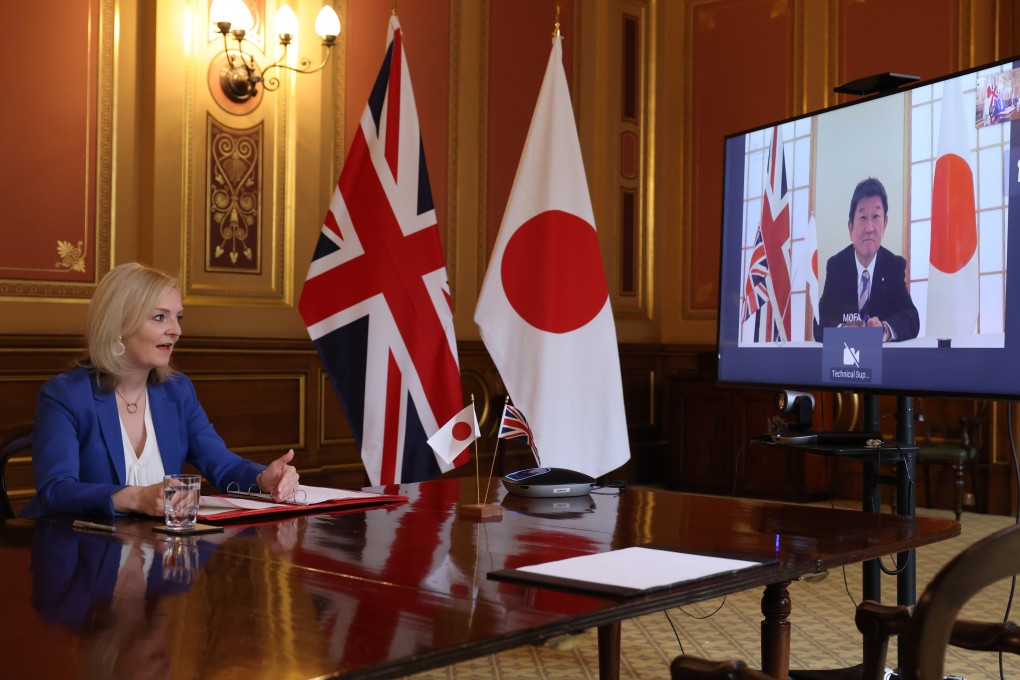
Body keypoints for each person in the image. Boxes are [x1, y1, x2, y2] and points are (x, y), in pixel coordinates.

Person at [21, 263, 299, 517]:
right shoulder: (65, 394)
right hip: (79, 555)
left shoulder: (178, 391)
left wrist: (264, 478)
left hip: (157, 555)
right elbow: (55, 490)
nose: (176, 330)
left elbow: (223, 465)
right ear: (118, 325)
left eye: (178, 317)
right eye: (159, 317)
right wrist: (135, 498)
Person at [813, 177, 919, 343]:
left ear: (885, 224)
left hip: (885, 363)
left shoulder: (893, 265)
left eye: (876, 217)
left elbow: (911, 319)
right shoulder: (837, 266)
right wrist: (843, 330)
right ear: (850, 227)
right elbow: (820, 322)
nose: (869, 228)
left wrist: (884, 329)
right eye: (863, 218)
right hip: (846, 362)